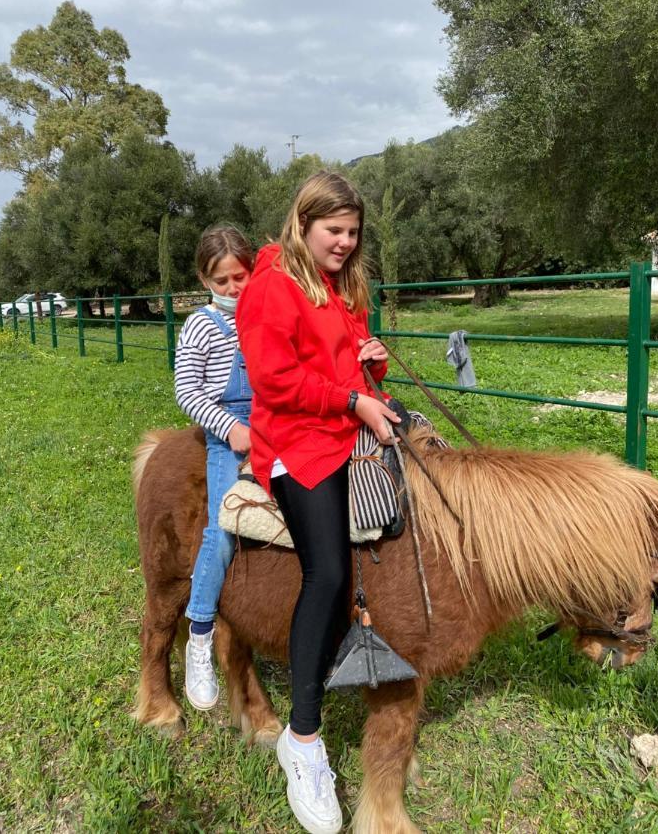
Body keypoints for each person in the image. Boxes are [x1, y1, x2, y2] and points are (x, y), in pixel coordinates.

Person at [237, 171, 401, 834]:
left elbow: (343, 366)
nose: (344, 241)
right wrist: (352, 399)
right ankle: (301, 740)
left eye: (352, 232)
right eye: (334, 230)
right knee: (328, 572)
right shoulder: (271, 287)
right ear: (303, 224)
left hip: (343, 425)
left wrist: (372, 366)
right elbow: (274, 381)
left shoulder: (342, 287)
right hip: (297, 442)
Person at [174, 224, 253, 711]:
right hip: (230, 432)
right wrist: (230, 429)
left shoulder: (262, 317)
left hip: (272, 423)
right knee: (222, 529)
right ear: (205, 280)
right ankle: (200, 633)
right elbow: (187, 391)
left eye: (239, 278)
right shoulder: (201, 326)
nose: (232, 289)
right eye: (221, 281)